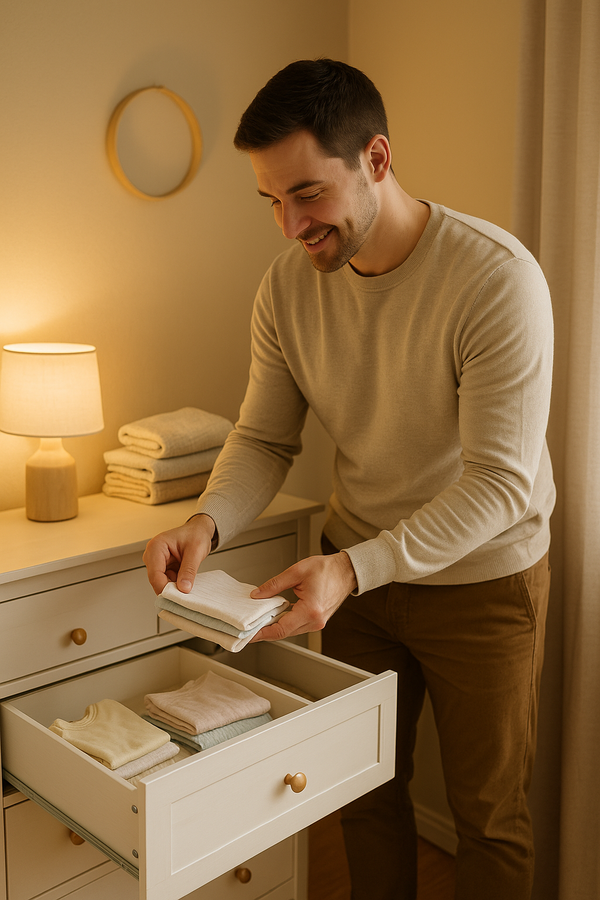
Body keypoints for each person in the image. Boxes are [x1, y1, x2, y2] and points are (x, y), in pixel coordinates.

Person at [143, 58, 555, 900]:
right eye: (272, 201)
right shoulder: (288, 288)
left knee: (489, 817)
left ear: (375, 159)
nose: (290, 226)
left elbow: (500, 485)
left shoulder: (495, 280)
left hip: (481, 582)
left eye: (308, 195)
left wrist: (354, 567)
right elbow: (263, 436)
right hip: (357, 582)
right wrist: (208, 523)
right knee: (364, 794)